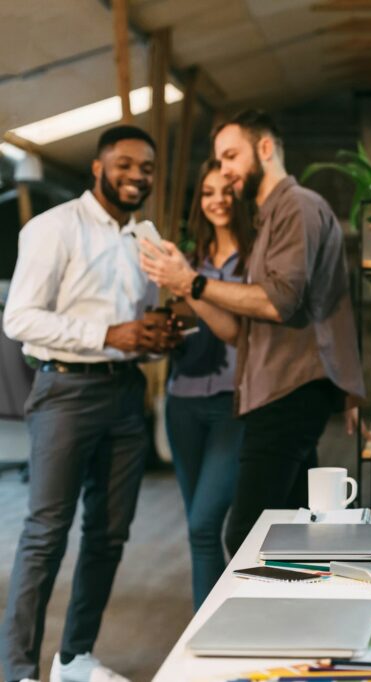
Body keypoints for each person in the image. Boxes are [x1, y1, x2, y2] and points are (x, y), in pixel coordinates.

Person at [139, 110, 365, 555]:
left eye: (231, 156)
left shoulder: (297, 206)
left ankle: (267, 625)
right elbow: (234, 332)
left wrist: (194, 283)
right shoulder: (267, 219)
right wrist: (183, 279)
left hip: (289, 389)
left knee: (244, 536)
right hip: (271, 388)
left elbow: (278, 302)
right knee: (296, 530)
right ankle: (305, 621)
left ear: (265, 148)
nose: (225, 170)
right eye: (219, 161)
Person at [2, 125, 175, 682]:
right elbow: (20, 318)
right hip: (65, 393)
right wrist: (111, 333)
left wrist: (152, 333)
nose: (136, 176)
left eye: (146, 167)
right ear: (98, 168)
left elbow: (138, 317)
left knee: (108, 533)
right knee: (46, 531)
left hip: (125, 395)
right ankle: (19, 669)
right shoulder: (53, 228)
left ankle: (74, 657)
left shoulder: (145, 235)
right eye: (124, 164)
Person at [165, 160, 254, 610]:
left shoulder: (258, 257)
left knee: (206, 523)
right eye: (206, 192)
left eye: (226, 190)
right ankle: (211, 630)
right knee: (198, 531)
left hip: (233, 403)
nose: (216, 199)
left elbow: (240, 329)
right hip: (181, 400)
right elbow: (184, 320)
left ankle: (227, 620)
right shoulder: (190, 257)